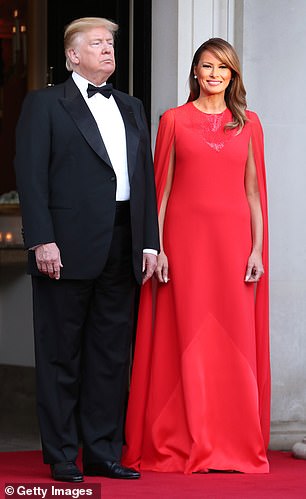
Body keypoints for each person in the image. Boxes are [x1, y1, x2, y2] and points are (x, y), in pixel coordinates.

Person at [14, 17, 159, 483]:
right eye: (97, 43)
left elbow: (145, 180)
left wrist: (150, 241)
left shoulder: (132, 106)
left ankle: (102, 452)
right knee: (60, 354)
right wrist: (41, 238)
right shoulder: (45, 104)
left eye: (111, 43)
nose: (108, 50)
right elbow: (31, 176)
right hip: (64, 245)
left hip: (124, 244)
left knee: (111, 355)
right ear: (73, 55)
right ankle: (61, 455)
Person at [123, 38, 270, 474]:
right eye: (207, 66)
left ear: (233, 75)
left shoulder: (250, 124)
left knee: (232, 338)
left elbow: (254, 193)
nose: (214, 74)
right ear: (195, 71)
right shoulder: (172, 120)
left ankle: (230, 441)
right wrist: (159, 247)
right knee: (181, 336)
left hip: (233, 246)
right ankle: (182, 438)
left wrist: (257, 250)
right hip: (182, 247)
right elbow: (159, 191)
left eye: (223, 68)